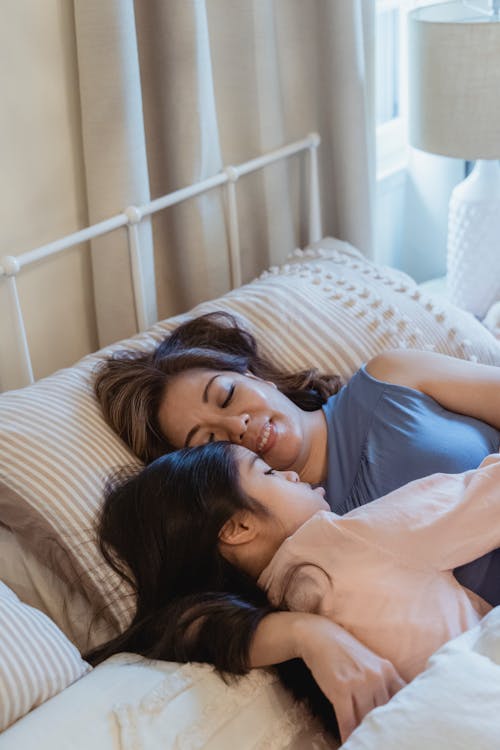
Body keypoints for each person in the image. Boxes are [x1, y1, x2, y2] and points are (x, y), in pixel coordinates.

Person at [94, 311, 500, 735]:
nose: (237, 426)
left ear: (257, 377)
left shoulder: (387, 379)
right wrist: (304, 634)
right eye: (210, 440)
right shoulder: (293, 547)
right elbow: (175, 626)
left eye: (228, 396)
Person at [86, 443, 500, 739]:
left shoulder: (257, 615)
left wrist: (303, 633)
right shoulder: (346, 538)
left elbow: (175, 626)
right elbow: (486, 495)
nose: (290, 473)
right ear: (238, 528)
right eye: (266, 472)